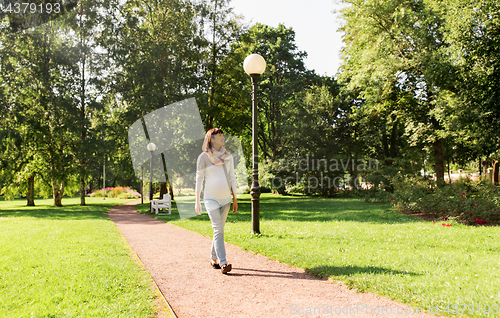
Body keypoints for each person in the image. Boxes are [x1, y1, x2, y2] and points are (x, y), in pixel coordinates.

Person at [195, 128, 238, 274]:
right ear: (211, 139)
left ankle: (213, 258)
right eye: (219, 136)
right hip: (210, 198)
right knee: (218, 229)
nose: (222, 138)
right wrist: (197, 200)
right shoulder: (204, 157)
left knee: (218, 230)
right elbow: (199, 179)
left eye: (222, 135)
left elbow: (232, 177)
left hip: (226, 198)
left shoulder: (228, 157)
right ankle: (223, 262)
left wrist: (235, 198)